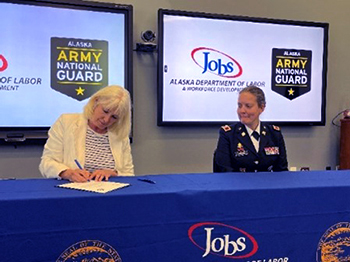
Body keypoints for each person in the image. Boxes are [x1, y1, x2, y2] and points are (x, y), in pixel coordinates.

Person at [39, 85, 134, 182]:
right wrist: (68, 173)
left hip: (110, 193)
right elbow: (47, 163)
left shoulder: (119, 135)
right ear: (96, 101)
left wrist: (114, 173)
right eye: (105, 111)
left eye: (114, 117)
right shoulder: (66, 122)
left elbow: (129, 173)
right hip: (73, 192)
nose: (106, 119)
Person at [213, 85, 288, 173]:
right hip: (238, 185)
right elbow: (225, 171)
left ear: (262, 107)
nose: (242, 111)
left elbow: (282, 171)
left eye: (248, 106)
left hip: (268, 184)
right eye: (240, 106)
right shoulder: (228, 134)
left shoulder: (274, 133)